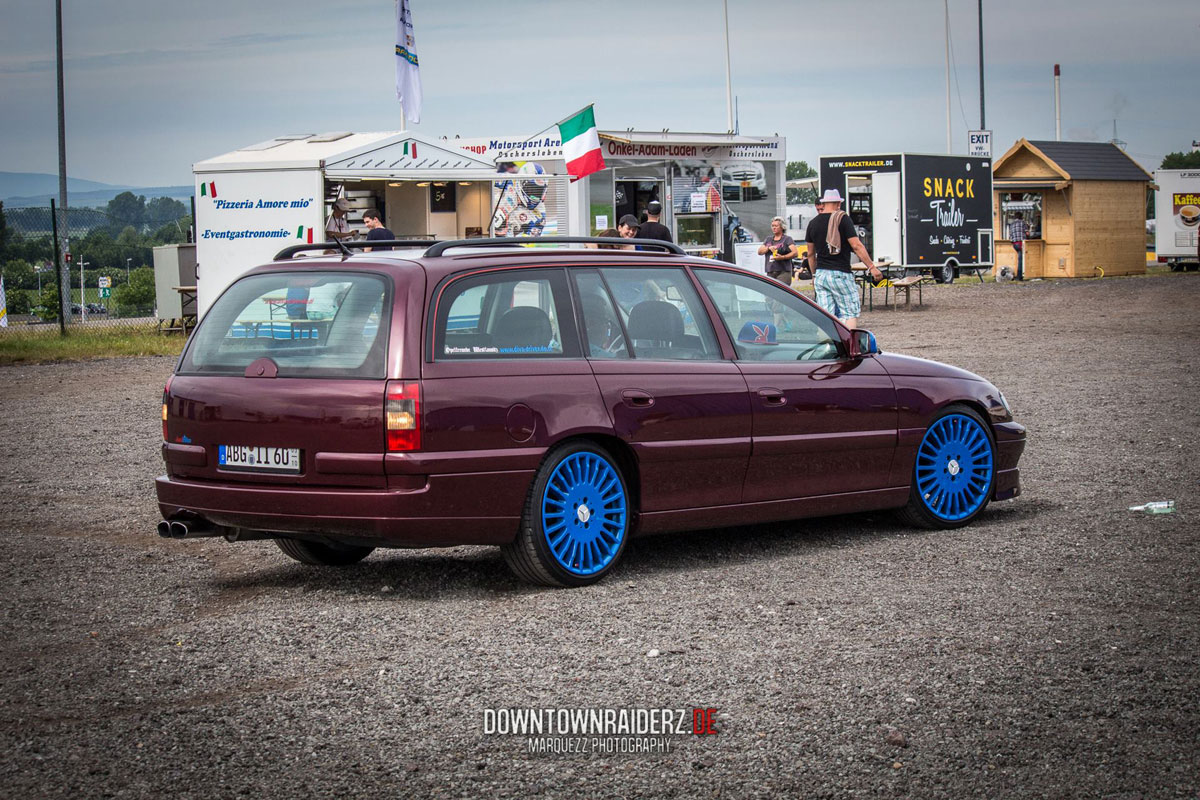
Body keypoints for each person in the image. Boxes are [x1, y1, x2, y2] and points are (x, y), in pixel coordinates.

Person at [805, 189, 882, 330]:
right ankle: (849, 347)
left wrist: (814, 274)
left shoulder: (813, 223)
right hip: (840, 272)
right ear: (837, 203)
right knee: (849, 313)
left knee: (826, 315)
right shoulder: (842, 219)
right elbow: (856, 245)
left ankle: (830, 346)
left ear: (824, 203)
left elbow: (810, 253)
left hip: (821, 274)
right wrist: (871, 266)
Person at [758, 216, 799, 284]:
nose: (774, 228)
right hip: (770, 271)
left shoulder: (787, 239)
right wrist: (768, 248)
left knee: (782, 292)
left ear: (782, 227)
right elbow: (759, 252)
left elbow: (795, 253)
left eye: (776, 226)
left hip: (783, 271)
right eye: (772, 226)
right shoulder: (768, 239)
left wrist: (782, 257)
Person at [1007, 211, 1028, 281]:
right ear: (1021, 216)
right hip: (1021, 243)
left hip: (1014, 244)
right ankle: (1019, 276)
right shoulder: (1023, 222)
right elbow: (1027, 233)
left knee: (1019, 259)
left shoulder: (1012, 224)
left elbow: (1010, 235)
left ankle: (1019, 275)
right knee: (1020, 260)